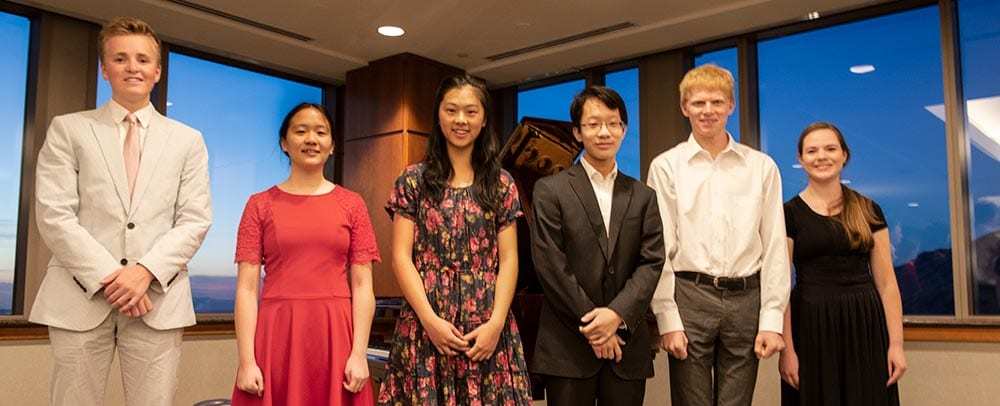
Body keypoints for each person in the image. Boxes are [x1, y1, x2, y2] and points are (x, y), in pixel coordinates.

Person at [30, 16, 212, 406]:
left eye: (143, 60)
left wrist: (143, 273)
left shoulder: (188, 140)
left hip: (157, 301)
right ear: (104, 69)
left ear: (158, 71)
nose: (133, 67)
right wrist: (116, 278)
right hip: (79, 297)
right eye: (121, 58)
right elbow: (54, 214)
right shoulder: (68, 129)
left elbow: (195, 220)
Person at [377, 74, 533, 405]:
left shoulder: (502, 184)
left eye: (470, 111)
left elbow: (509, 260)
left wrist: (496, 325)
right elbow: (401, 258)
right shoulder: (412, 181)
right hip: (426, 323)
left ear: (484, 118)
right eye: (451, 110)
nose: (460, 120)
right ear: (439, 115)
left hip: (488, 327)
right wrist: (430, 321)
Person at [646, 64, 790, 406]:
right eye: (698, 103)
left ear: (731, 106)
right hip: (689, 296)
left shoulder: (761, 167)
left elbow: (774, 246)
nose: (707, 110)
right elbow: (659, 248)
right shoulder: (666, 167)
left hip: (746, 298)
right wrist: (667, 318)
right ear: (684, 108)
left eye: (716, 102)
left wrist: (772, 319)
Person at [231, 103, 379, 406]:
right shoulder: (259, 205)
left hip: (336, 334)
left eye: (321, 132)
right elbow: (246, 289)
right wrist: (246, 360)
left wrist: (359, 353)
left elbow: (363, 286)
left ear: (332, 145)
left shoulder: (353, 204)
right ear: (285, 143)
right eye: (301, 131)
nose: (311, 139)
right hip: (278, 335)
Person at [529, 86, 664, 406]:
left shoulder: (644, 196)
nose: (604, 132)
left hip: (626, 346)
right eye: (593, 124)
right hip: (567, 347)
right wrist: (596, 325)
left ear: (624, 129)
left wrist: (616, 316)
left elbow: (652, 262)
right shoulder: (550, 190)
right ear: (577, 132)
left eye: (613, 123)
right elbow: (550, 264)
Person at [779, 122, 906, 406]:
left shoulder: (869, 209)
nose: (821, 156)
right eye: (812, 150)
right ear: (800, 159)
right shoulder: (788, 214)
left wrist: (896, 345)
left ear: (844, 155)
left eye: (830, 148)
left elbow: (887, 285)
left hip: (866, 328)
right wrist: (787, 350)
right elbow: (781, 287)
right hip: (811, 329)